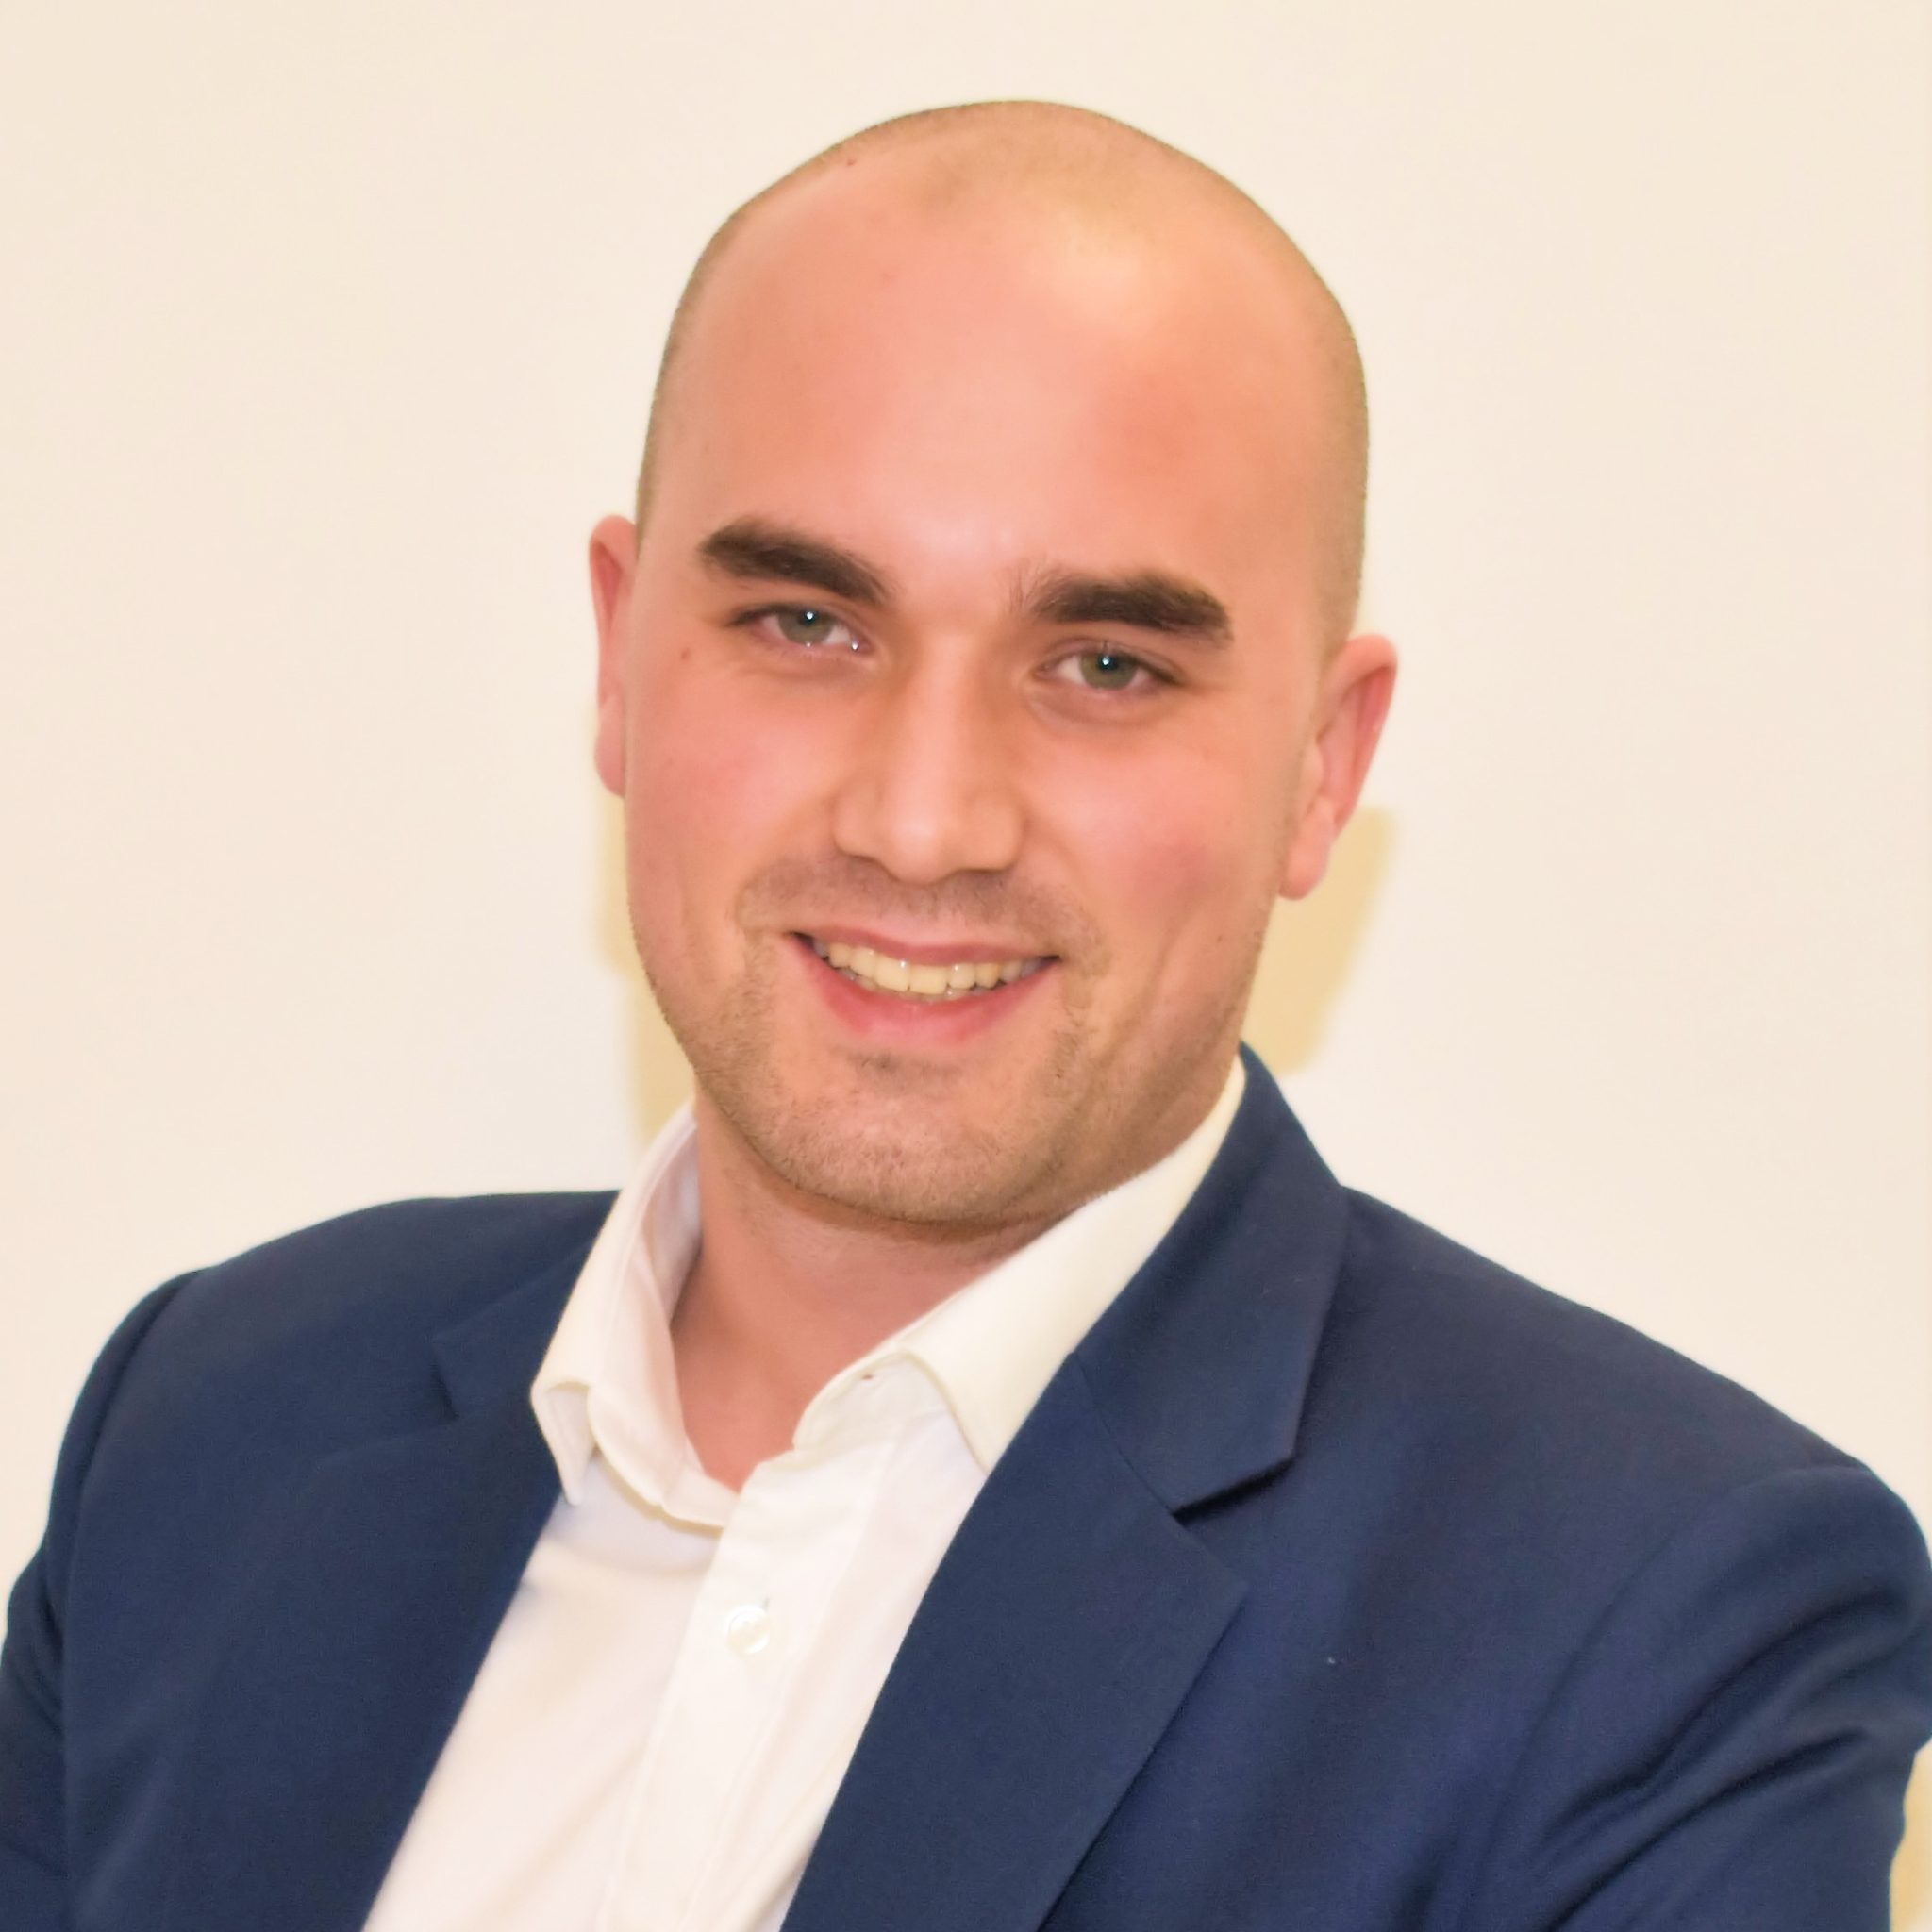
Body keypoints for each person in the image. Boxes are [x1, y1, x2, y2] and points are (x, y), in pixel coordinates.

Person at [3, 98, 1927, 1932]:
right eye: (806, 625)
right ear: (619, 658)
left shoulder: (1660, 1622)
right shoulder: (213, 1419)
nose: (924, 821)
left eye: (1105, 664)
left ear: (1322, 767)